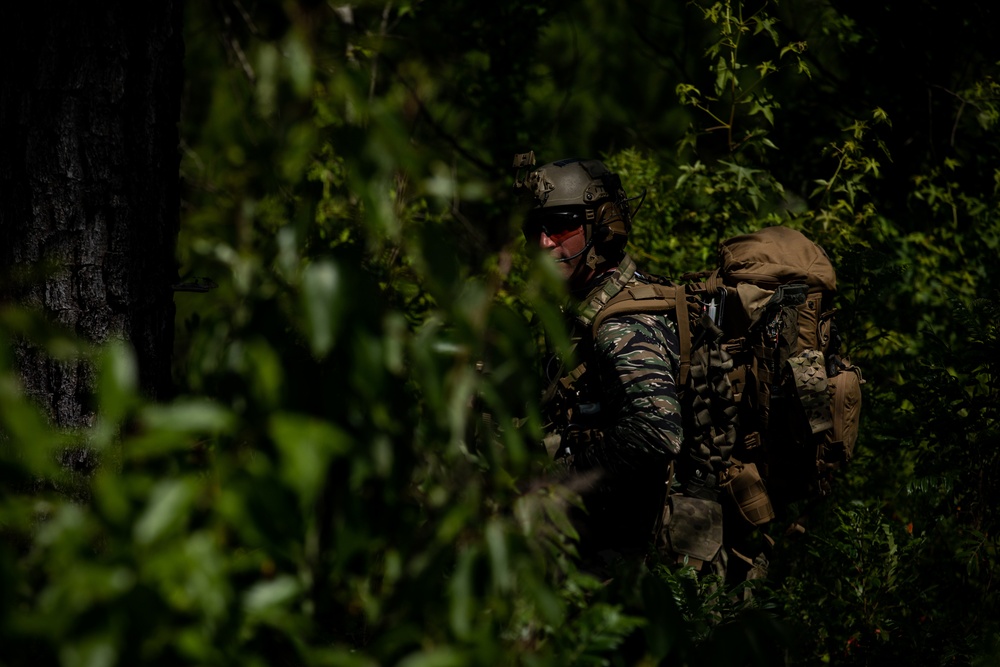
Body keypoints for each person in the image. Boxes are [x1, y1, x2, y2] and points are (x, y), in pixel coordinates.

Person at [515, 155, 695, 565]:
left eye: (561, 224)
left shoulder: (622, 320)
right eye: (534, 229)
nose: (544, 242)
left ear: (604, 228)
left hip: (650, 558)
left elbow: (656, 432)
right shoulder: (585, 310)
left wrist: (559, 478)